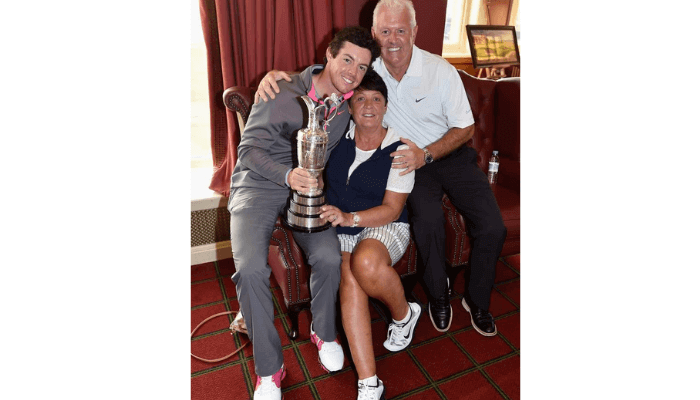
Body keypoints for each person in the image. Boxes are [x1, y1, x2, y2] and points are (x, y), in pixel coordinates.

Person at [256, 0, 506, 338]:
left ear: (414, 32)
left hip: (445, 152)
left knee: (492, 225)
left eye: (401, 30)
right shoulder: (367, 67)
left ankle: (476, 301)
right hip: (404, 161)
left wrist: (428, 154)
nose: (393, 39)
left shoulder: (439, 70)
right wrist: (276, 78)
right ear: (374, 34)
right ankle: (437, 297)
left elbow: (465, 128)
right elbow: (332, 71)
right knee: (427, 219)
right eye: (385, 31)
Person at [228, 26, 380, 400]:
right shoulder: (279, 90)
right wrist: (286, 175)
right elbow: (247, 151)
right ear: (328, 54)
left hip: (307, 190)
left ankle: (323, 331)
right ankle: (270, 369)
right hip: (260, 183)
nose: (353, 72)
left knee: (329, 256)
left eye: (361, 67)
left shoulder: (347, 108)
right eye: (347, 59)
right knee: (249, 269)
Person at [318, 69, 420, 400]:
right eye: (360, 98)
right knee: (349, 278)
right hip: (344, 227)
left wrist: (351, 217)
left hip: (385, 224)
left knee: (366, 264)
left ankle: (404, 314)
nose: (368, 106)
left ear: (386, 106)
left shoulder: (400, 148)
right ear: (350, 107)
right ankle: (369, 382)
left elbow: (392, 208)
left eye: (377, 99)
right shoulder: (338, 138)